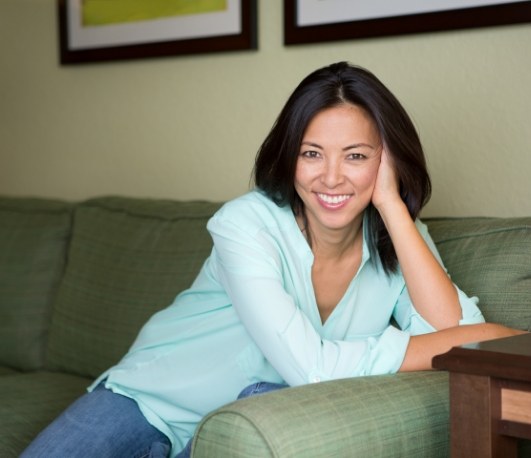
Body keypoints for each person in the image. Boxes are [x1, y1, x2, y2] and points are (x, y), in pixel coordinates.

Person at [21, 62, 525, 458]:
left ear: (387, 160)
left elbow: (464, 334)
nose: (331, 178)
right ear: (288, 157)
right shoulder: (245, 224)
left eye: (355, 156)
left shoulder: (399, 235)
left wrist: (393, 206)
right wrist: (438, 343)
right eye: (311, 154)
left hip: (252, 421)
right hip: (150, 401)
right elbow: (316, 370)